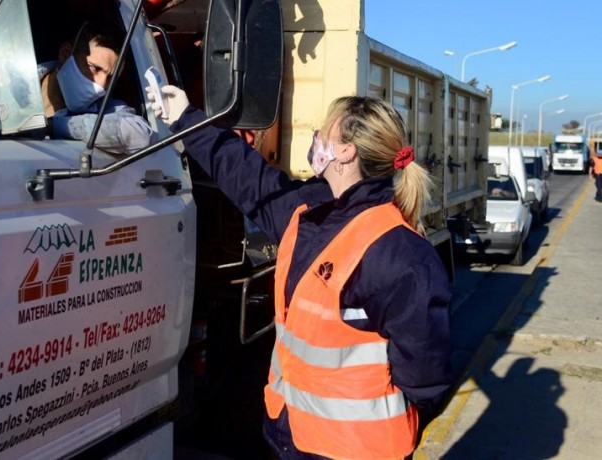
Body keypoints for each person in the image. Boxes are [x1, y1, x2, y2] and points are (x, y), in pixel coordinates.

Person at [149, 86, 453, 459]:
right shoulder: (307, 210)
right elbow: (244, 174)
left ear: (345, 151)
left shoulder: (401, 254)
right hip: (290, 437)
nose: (316, 138)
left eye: (323, 132)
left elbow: (426, 378)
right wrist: (186, 117)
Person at [0, 22, 153, 154]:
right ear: (65, 53)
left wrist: (55, 126)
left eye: (111, 78)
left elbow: (136, 134)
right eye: (94, 68)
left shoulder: (106, 109)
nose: (102, 85)